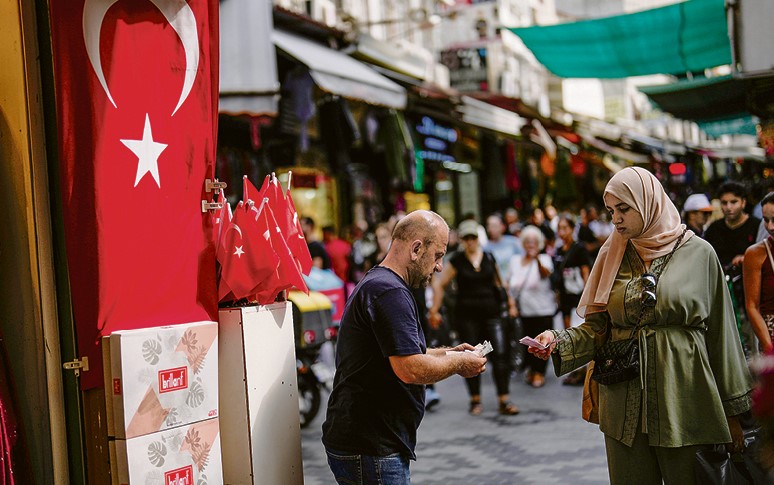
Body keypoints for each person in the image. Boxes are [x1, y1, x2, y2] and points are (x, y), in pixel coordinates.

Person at [528, 167, 752, 485]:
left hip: (685, 394)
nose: (616, 219)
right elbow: (598, 327)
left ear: (648, 203)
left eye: (624, 209)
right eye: (610, 211)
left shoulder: (700, 254)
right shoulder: (612, 254)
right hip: (624, 400)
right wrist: (556, 339)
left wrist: (733, 412)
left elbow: (721, 335)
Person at [321, 210, 487, 485]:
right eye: (437, 255)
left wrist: (451, 352)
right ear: (417, 248)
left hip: (368, 441)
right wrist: (460, 364)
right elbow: (409, 367)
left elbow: (402, 351)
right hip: (372, 445)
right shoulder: (389, 292)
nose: (439, 266)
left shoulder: (382, 284)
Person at [429, 219, 520, 416]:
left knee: (500, 354)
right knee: (472, 356)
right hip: (467, 316)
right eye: (466, 238)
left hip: (492, 313)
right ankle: (475, 399)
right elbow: (440, 284)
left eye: (473, 237)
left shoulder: (488, 257)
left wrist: (511, 304)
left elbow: (500, 283)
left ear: (478, 238)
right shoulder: (457, 261)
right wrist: (434, 309)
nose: (470, 241)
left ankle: (504, 398)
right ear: (462, 240)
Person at [705, 181, 761, 353]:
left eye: (733, 202)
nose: (728, 207)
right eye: (724, 203)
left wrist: (747, 258)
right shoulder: (714, 229)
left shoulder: (756, 225)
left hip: (750, 293)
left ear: (743, 202)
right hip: (721, 292)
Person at [507, 225, 556, 388]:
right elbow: (509, 286)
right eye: (527, 242)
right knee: (527, 343)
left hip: (543, 310)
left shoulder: (545, 259)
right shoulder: (515, 261)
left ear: (539, 243)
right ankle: (530, 370)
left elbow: (546, 274)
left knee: (542, 343)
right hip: (524, 311)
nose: (530, 245)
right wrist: (512, 304)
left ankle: (539, 372)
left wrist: (536, 259)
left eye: (534, 242)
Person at [552, 215, 592, 386]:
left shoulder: (579, 248)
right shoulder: (559, 250)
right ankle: (575, 369)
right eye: (559, 228)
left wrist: (588, 296)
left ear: (571, 229)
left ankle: (583, 370)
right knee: (567, 333)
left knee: (578, 331)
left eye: (564, 228)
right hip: (565, 298)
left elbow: (586, 272)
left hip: (578, 296)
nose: (562, 232)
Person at [744, 192, 774, 352]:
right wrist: (769, 349)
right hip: (770, 336)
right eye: (766, 220)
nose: (770, 227)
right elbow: (752, 306)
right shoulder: (756, 254)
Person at [483, 212, 523, 278]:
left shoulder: (514, 242)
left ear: (503, 226)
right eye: (489, 226)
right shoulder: (484, 247)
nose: (492, 229)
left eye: (494, 226)